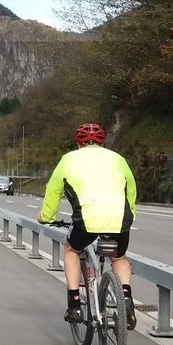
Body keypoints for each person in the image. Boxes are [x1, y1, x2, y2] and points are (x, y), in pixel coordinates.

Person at [39, 123, 138, 330]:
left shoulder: (68, 160)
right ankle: (126, 300)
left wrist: (46, 217)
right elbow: (131, 190)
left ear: (78, 143)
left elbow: (53, 191)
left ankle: (75, 304)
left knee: (71, 249)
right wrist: (130, 217)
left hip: (86, 221)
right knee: (119, 258)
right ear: (102, 142)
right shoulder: (118, 159)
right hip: (119, 220)